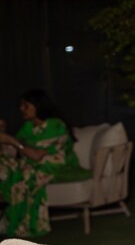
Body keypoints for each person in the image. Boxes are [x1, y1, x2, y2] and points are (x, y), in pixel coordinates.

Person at [0, 89, 90, 237]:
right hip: (32, 163)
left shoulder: (55, 125)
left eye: (25, 105)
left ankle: (24, 224)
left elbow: (36, 155)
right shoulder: (28, 128)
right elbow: (13, 152)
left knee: (25, 176)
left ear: (37, 106)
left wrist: (12, 141)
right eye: (21, 105)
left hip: (55, 165)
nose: (21, 109)